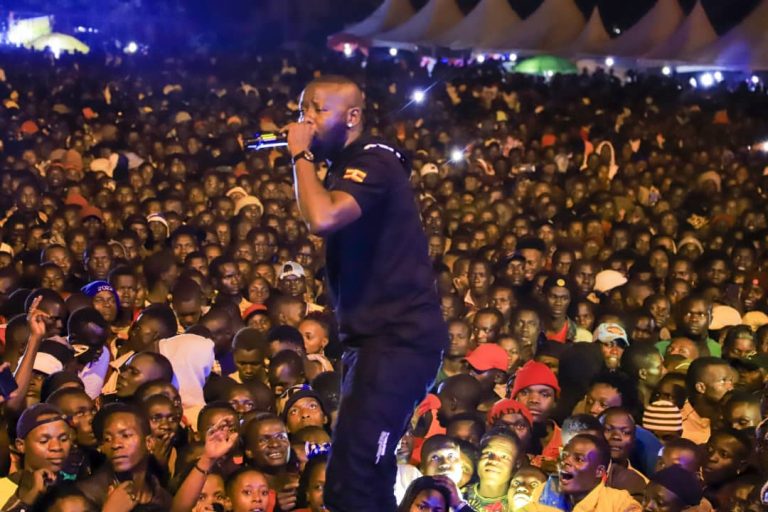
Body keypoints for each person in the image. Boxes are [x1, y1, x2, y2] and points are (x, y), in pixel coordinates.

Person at [285, 74, 447, 511]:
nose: (306, 119)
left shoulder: (374, 160)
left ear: (353, 116)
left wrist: (300, 154)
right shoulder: (346, 164)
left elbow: (322, 218)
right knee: (351, 479)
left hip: (398, 342)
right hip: (373, 343)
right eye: (301, 110)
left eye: (317, 109)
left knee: (356, 478)